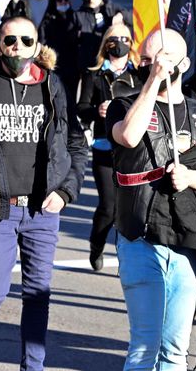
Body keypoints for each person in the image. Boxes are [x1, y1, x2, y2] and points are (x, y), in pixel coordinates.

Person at [0, 16, 87, 371]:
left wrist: (66, 191)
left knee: (37, 295)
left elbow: (75, 144)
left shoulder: (53, 86)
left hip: (43, 209)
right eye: (10, 40)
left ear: (37, 46)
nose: (17, 47)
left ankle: (32, 367)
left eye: (26, 40)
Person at [106, 28, 196, 370]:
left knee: (174, 349)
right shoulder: (125, 104)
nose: (151, 63)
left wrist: (190, 178)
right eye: (145, 58)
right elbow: (129, 136)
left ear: (183, 64)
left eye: (161, 58)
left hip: (190, 240)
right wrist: (154, 79)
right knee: (146, 345)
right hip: (140, 236)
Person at [77, 24, 141, 272]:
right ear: (106, 43)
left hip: (132, 148)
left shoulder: (138, 74)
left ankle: (127, 254)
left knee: (132, 206)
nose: (120, 43)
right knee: (109, 206)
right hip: (104, 147)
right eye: (114, 38)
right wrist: (97, 111)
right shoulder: (94, 74)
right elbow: (81, 107)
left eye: (125, 38)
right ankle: (97, 245)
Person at [75, 0, 130, 71]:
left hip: (109, 62)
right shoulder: (79, 13)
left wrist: (122, 15)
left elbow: (134, 18)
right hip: (88, 65)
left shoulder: (111, 8)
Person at [39, 0, 82, 102]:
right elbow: (42, 42)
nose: (63, 2)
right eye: (60, 0)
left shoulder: (74, 17)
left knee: (71, 96)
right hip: (55, 65)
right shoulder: (47, 20)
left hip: (72, 65)